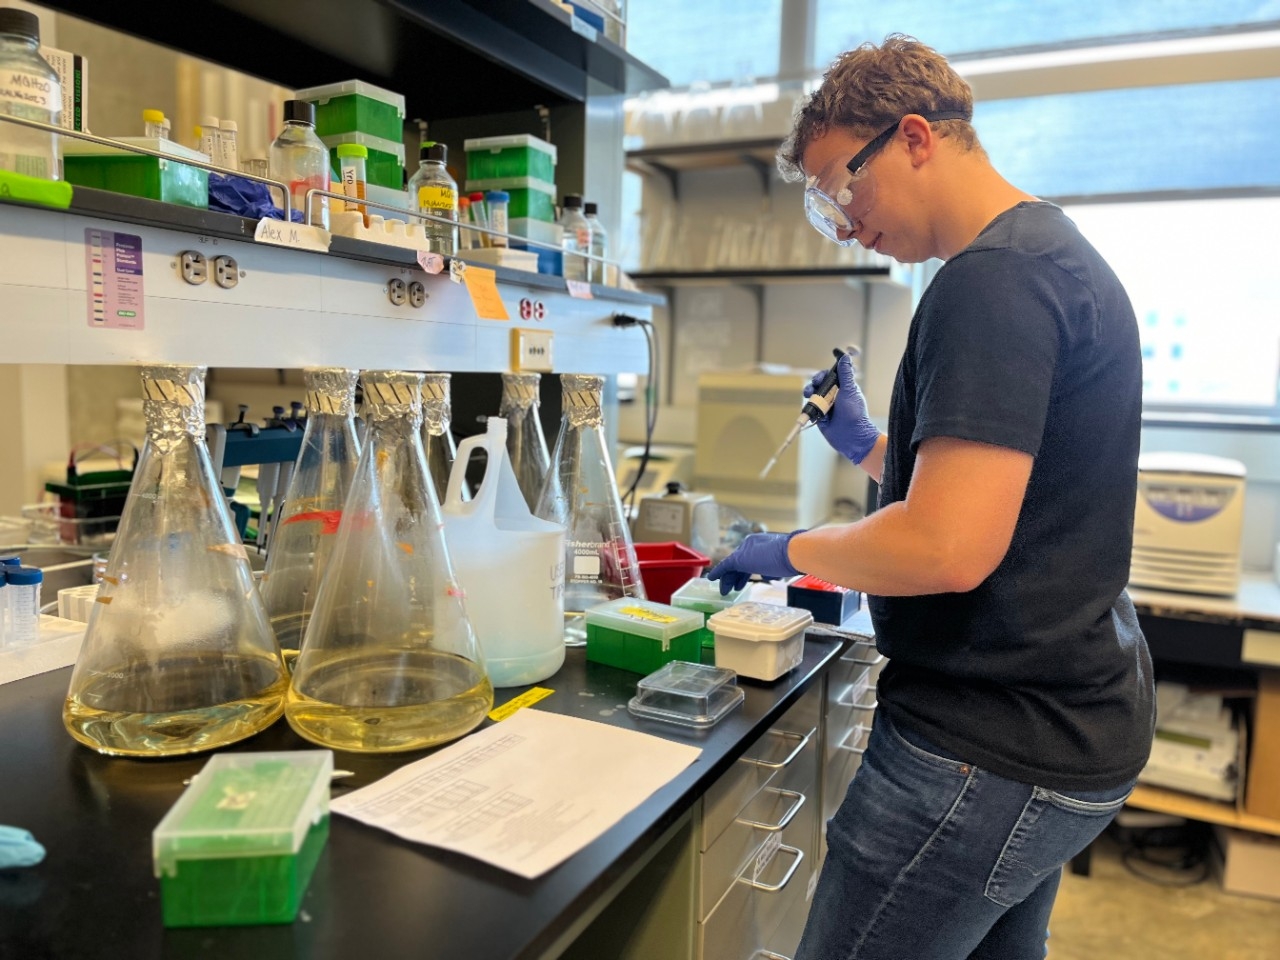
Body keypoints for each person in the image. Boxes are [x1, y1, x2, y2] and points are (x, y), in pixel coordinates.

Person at [706, 34, 1155, 960]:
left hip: (983, 747)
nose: (843, 221)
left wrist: (788, 549)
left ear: (914, 137)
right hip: (1066, 727)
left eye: (843, 186)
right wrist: (872, 447)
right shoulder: (1045, 252)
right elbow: (1014, 495)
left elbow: (947, 547)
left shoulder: (991, 281)